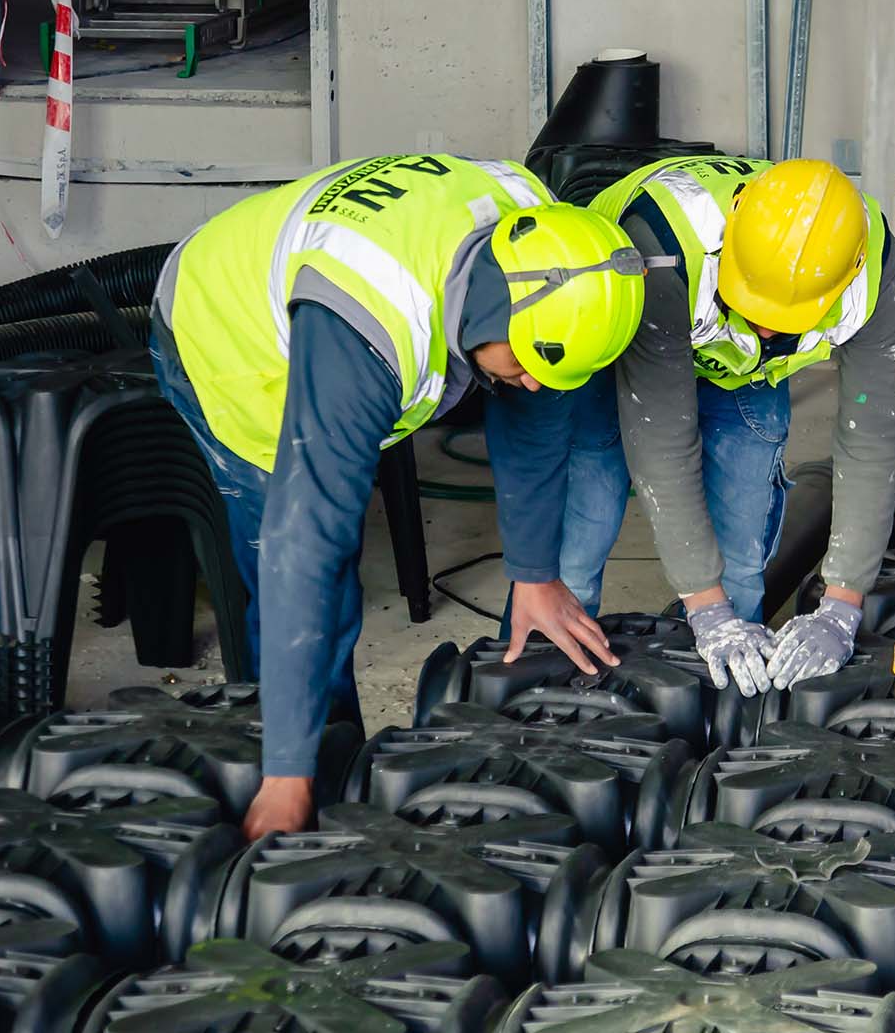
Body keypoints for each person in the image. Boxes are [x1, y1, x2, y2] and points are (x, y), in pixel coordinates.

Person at [150, 153, 648, 838]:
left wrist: (535, 575)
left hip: (357, 292)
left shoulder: (543, 248)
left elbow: (535, 428)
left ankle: (331, 764)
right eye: (525, 365)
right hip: (227, 329)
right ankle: (300, 763)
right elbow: (306, 547)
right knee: (297, 553)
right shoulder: (367, 326)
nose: (532, 382)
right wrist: (288, 771)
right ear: (494, 314)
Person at [544, 155, 895, 695]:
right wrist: (705, 609)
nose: (766, 325)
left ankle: (715, 719)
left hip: (738, 363)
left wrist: (841, 605)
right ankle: (532, 690)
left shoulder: (875, 269)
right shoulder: (661, 241)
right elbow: (663, 441)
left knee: (740, 556)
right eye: (757, 306)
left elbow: (873, 442)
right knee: (582, 532)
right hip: (616, 323)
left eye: (783, 317)